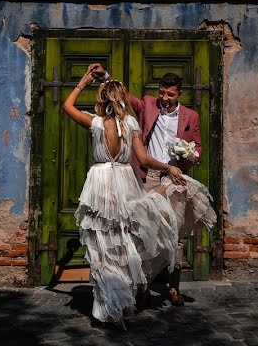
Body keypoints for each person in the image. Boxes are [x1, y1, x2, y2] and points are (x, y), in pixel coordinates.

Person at [88, 63, 209, 307]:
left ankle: (173, 288)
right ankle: (143, 288)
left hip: (175, 180)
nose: (165, 98)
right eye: (162, 93)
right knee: (144, 234)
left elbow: (197, 147)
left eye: (170, 94)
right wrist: (105, 76)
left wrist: (189, 155)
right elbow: (125, 96)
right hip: (148, 178)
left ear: (179, 94)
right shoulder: (147, 105)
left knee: (174, 236)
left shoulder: (190, 116)